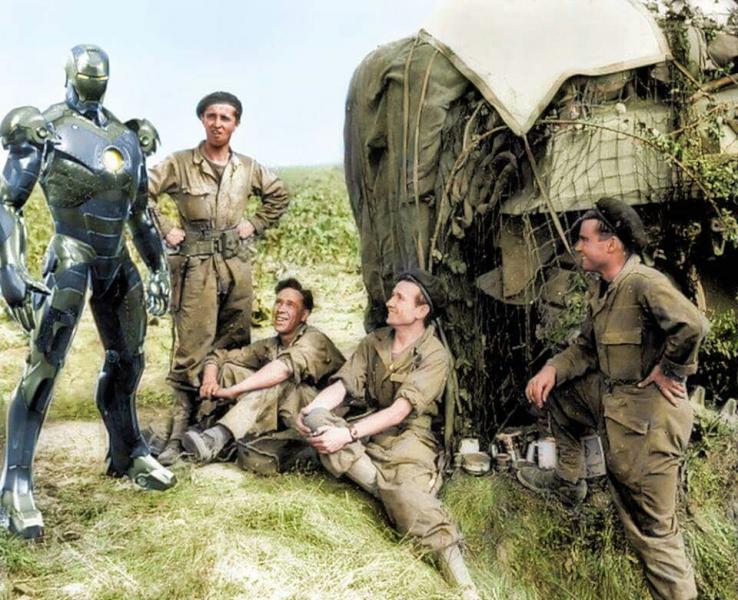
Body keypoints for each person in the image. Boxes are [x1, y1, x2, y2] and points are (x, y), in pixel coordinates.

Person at [0, 45, 175, 539]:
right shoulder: (45, 127)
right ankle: (16, 482)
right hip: (71, 253)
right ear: (70, 77)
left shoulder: (127, 136)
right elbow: (7, 203)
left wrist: (158, 266)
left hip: (115, 259)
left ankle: (127, 449)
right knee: (44, 367)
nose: (92, 84)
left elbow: (140, 214)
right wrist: (11, 274)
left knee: (129, 361)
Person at [519, 197, 708, 600]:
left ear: (612, 244)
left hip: (649, 425)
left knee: (653, 532)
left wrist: (671, 369)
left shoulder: (643, 283)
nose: (578, 247)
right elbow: (586, 349)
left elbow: (692, 325)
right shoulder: (605, 288)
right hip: (616, 405)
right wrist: (551, 369)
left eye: (585, 240)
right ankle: (569, 482)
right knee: (561, 394)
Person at [296, 270, 480, 600]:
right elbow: (343, 386)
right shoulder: (375, 341)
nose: (389, 302)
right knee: (317, 418)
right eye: (392, 295)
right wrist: (313, 409)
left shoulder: (435, 355)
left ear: (422, 310)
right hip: (369, 431)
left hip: (410, 438)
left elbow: (399, 412)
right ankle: (390, 492)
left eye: (399, 298)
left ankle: (466, 588)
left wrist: (346, 436)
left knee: (406, 490)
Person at [148, 91, 290, 463]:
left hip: (236, 264)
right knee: (192, 347)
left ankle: (216, 426)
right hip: (195, 266)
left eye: (226, 118)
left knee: (234, 343)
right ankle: (178, 433)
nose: (217, 123)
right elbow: (140, 192)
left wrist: (254, 223)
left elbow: (278, 195)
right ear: (202, 120)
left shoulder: (247, 167)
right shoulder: (179, 163)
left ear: (236, 124)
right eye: (211, 116)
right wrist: (165, 228)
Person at [181, 278, 345, 464]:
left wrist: (233, 391)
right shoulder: (272, 344)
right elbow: (220, 357)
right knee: (230, 369)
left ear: (304, 315)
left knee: (276, 381)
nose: (281, 309)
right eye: (278, 302)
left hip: (327, 416)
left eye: (290, 305)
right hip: (290, 411)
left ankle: (218, 437)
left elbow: (282, 369)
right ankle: (209, 429)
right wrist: (209, 379)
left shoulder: (314, 340)